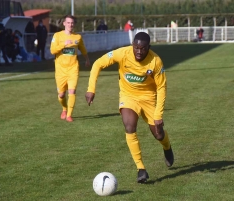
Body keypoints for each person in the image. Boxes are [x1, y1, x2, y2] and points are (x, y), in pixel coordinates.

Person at [85, 32, 174, 183]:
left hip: (148, 98)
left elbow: (161, 88)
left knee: (158, 135)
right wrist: (91, 89)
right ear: (132, 45)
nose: (139, 52)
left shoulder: (156, 62)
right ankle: (141, 169)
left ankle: (167, 147)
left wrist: (158, 115)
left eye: (143, 48)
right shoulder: (122, 53)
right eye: (136, 47)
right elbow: (98, 64)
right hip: (128, 96)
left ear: (149, 47)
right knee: (129, 126)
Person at [50, 14, 90, 122]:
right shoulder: (57, 36)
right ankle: (64, 109)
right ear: (64, 23)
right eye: (68, 22)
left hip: (73, 69)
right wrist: (63, 45)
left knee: (72, 91)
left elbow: (83, 49)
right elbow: (52, 50)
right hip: (60, 70)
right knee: (61, 94)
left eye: (72, 23)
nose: (70, 25)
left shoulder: (77, 37)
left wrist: (87, 59)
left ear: (74, 24)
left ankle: (69, 115)